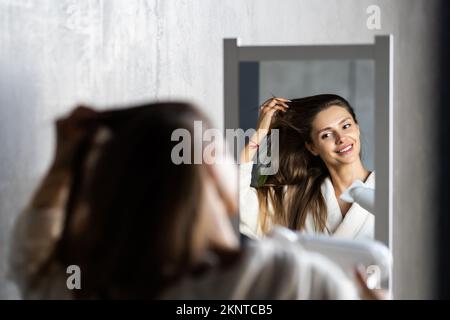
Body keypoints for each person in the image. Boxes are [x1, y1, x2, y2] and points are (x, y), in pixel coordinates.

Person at [9, 102, 376, 299]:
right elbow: (249, 203)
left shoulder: (93, 286)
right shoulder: (290, 279)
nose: (341, 138)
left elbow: (31, 266)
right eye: (218, 145)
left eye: (346, 125)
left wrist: (63, 164)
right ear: (211, 169)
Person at [240, 94, 374, 240]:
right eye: (326, 135)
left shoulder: (389, 192)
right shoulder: (298, 199)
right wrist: (260, 134)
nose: (341, 138)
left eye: (346, 126)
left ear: (357, 127)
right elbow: (237, 202)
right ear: (312, 147)